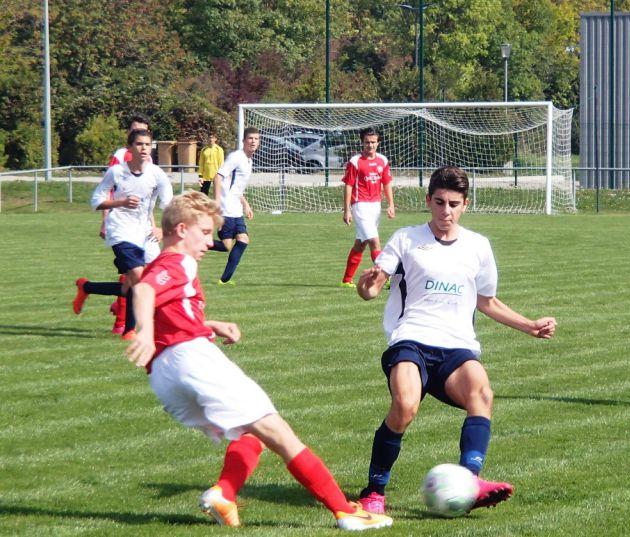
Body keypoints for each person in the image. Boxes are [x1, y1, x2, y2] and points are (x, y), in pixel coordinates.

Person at [124, 191, 393, 531]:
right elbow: (144, 290)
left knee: (251, 434)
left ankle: (224, 493)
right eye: (204, 232)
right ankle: (346, 512)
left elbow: (168, 308)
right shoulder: (178, 261)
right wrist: (145, 332)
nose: (210, 242)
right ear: (180, 230)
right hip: (191, 360)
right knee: (280, 433)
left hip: (164, 376)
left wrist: (210, 324)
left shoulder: (165, 264)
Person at [354, 165, 557, 514]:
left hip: (457, 346)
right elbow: (373, 288)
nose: (445, 211)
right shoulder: (406, 238)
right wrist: (366, 285)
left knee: (482, 394)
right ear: (428, 201)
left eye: (453, 204)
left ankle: (470, 482)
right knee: (405, 406)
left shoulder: (478, 246)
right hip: (411, 340)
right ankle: (374, 491)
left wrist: (529, 325)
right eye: (439, 202)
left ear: (466, 204)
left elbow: (486, 301)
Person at [73, 129, 173, 340]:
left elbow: (169, 206)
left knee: (138, 284)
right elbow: (96, 201)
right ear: (130, 148)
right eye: (139, 144)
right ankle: (136, 330)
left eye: (147, 144)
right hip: (120, 230)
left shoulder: (157, 174)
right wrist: (121, 202)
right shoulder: (116, 172)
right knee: (139, 277)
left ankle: (87, 288)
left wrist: (162, 229)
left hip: (145, 233)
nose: (144, 148)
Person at [105, 114, 154, 334]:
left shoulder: (148, 160)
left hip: (144, 225)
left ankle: (119, 305)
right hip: (122, 225)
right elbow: (108, 188)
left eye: (144, 132)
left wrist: (154, 224)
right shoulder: (119, 156)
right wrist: (104, 221)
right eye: (135, 131)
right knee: (137, 275)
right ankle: (125, 323)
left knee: (146, 273)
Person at [340, 127, 395, 288]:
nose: (370, 145)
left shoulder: (382, 160)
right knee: (374, 242)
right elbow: (348, 185)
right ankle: (386, 278)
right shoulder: (355, 161)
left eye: (373, 142)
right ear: (362, 143)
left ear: (378, 143)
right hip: (360, 205)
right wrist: (347, 210)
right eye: (367, 142)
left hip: (375, 206)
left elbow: (386, 183)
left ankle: (346, 280)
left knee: (360, 244)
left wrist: (391, 204)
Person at [210, 127, 259, 285]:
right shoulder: (236, 157)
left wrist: (246, 205)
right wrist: (217, 203)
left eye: (256, 139)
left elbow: (236, 188)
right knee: (226, 246)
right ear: (244, 141)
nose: (253, 141)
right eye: (250, 138)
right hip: (226, 209)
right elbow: (217, 177)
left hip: (236, 210)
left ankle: (224, 280)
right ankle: (198, 242)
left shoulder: (249, 161)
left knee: (243, 240)